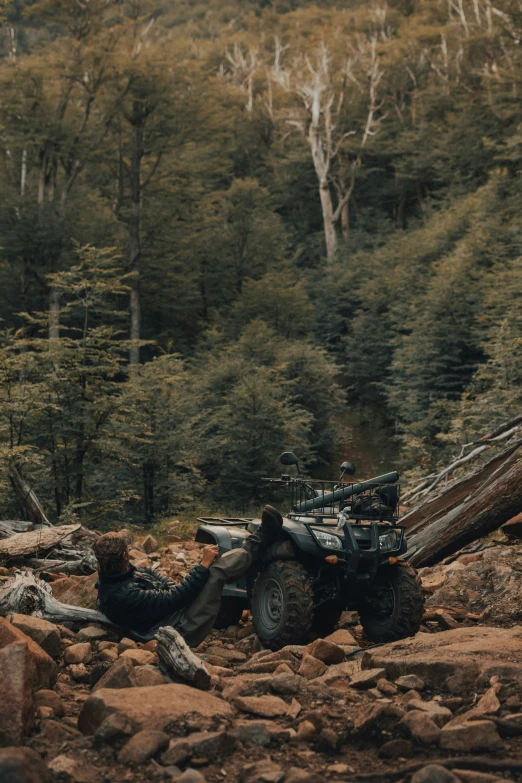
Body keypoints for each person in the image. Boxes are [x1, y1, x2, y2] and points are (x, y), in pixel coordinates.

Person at [93, 505, 283, 647]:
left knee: (202, 573)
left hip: (173, 615)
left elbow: (155, 576)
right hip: (179, 629)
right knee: (214, 572)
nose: (130, 549)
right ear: (124, 555)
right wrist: (202, 565)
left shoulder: (117, 573)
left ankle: (226, 607)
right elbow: (176, 598)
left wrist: (184, 582)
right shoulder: (123, 594)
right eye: (127, 548)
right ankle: (261, 539)